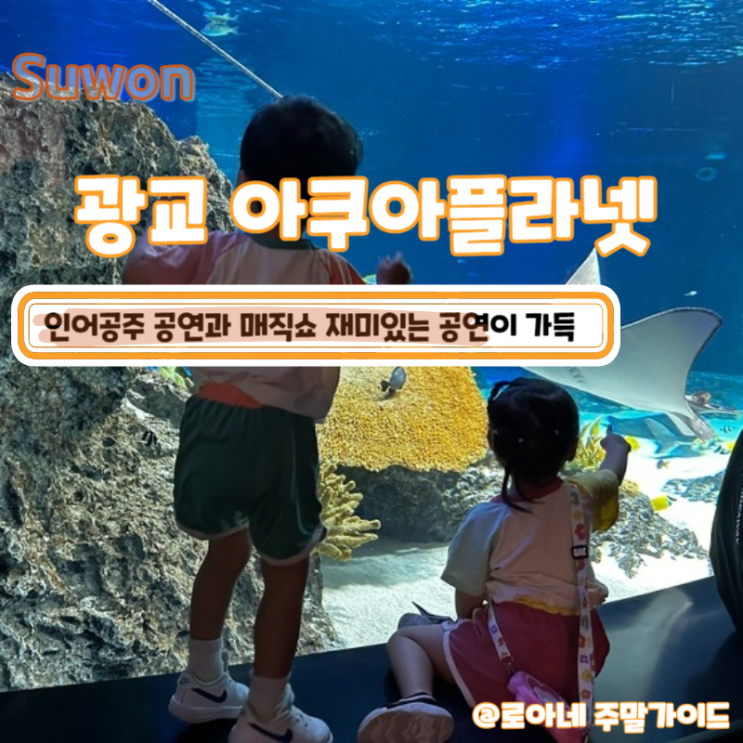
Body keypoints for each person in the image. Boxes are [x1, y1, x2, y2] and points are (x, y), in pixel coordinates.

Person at [123, 95, 412, 743]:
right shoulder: (330, 273)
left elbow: (139, 270)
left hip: (206, 423)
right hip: (278, 436)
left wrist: (155, 233)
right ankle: (266, 715)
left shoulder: (210, 253)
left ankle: (201, 683)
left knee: (225, 547)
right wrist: (393, 287)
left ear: (244, 182)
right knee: (286, 570)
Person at [357, 377, 631, 743]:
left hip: (506, 666)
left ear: (493, 445)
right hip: (576, 662)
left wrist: (464, 630)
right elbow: (612, 473)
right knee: (428, 624)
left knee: (407, 636)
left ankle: (417, 699)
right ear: (571, 448)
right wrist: (617, 446)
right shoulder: (582, 499)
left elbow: (468, 601)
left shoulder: (487, 519)